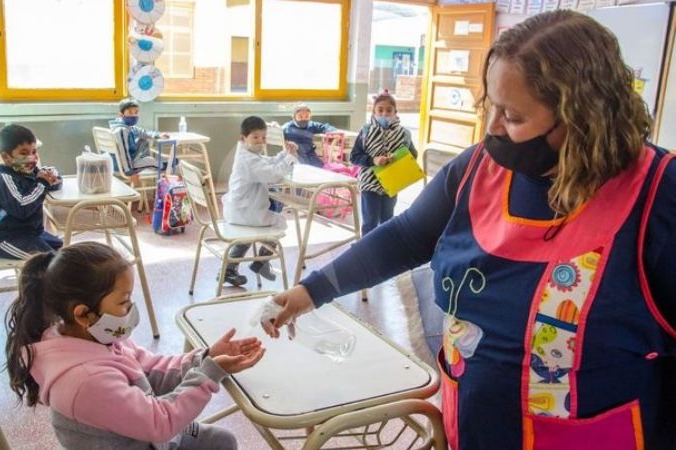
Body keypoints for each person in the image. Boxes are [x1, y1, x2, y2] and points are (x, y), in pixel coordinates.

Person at [264, 11, 676, 450]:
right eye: (491, 106)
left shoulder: (657, 194)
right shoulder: (479, 168)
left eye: (512, 116)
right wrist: (312, 291)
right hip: (474, 425)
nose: (492, 127)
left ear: (583, 116)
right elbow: (405, 237)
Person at [5, 242, 265, 449]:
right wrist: (209, 374)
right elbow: (160, 422)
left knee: (222, 441)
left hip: (145, 434)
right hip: (149, 432)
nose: (131, 309)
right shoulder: (85, 381)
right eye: (123, 302)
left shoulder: (98, 338)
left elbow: (152, 369)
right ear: (83, 314)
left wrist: (206, 357)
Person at [221, 116, 298, 286]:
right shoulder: (248, 160)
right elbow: (273, 174)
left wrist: (284, 154)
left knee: (248, 234)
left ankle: (229, 269)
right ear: (243, 138)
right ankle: (261, 262)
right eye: (255, 137)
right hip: (245, 213)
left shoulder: (246, 153)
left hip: (238, 211)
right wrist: (290, 158)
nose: (260, 141)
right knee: (279, 224)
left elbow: (266, 162)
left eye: (263, 137)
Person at [0, 124, 63, 259]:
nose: (31, 157)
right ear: (6, 157)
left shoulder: (28, 171)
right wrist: (42, 183)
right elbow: (22, 208)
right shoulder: (4, 178)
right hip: (7, 239)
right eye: (24, 153)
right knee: (51, 262)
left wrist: (52, 177)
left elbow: (48, 185)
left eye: (34, 152)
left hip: (30, 233)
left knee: (62, 249)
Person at [350, 89, 417, 235]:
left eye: (389, 110)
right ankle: (367, 247)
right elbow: (354, 157)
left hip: (391, 184)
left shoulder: (404, 133)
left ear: (395, 112)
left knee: (387, 220)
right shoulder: (366, 131)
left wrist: (398, 157)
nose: (384, 114)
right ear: (373, 112)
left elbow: (413, 155)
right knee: (370, 221)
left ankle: (383, 246)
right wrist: (373, 160)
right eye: (380, 110)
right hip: (369, 184)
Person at [108, 98, 163, 182]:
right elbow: (123, 153)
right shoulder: (121, 130)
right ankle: (164, 166)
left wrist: (157, 135)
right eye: (130, 112)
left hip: (125, 161)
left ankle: (149, 163)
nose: (134, 115)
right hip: (122, 166)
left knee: (143, 139)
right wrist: (130, 172)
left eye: (136, 112)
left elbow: (142, 132)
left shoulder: (127, 126)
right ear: (121, 115)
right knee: (150, 160)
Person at [281, 103, 337, 167]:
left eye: (307, 116)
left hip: (310, 155)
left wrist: (333, 131)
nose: (304, 119)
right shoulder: (287, 128)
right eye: (300, 116)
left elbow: (324, 127)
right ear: (294, 117)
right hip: (296, 156)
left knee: (320, 169)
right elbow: (278, 132)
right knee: (303, 169)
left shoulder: (311, 125)